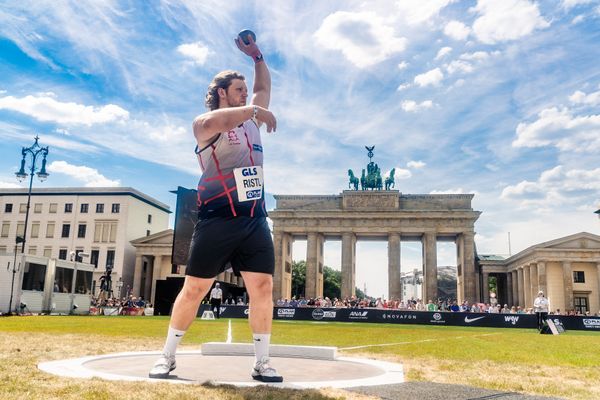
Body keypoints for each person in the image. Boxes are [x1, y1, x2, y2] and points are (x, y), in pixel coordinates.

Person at [149, 31, 282, 383]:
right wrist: (253, 108)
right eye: (238, 89)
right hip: (217, 219)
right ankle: (167, 357)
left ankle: (262, 362)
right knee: (194, 289)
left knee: (263, 288)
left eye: (245, 90)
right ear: (222, 93)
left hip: (254, 219)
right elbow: (223, 120)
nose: (246, 94)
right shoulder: (203, 125)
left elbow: (262, 91)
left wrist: (257, 57)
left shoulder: (251, 117)